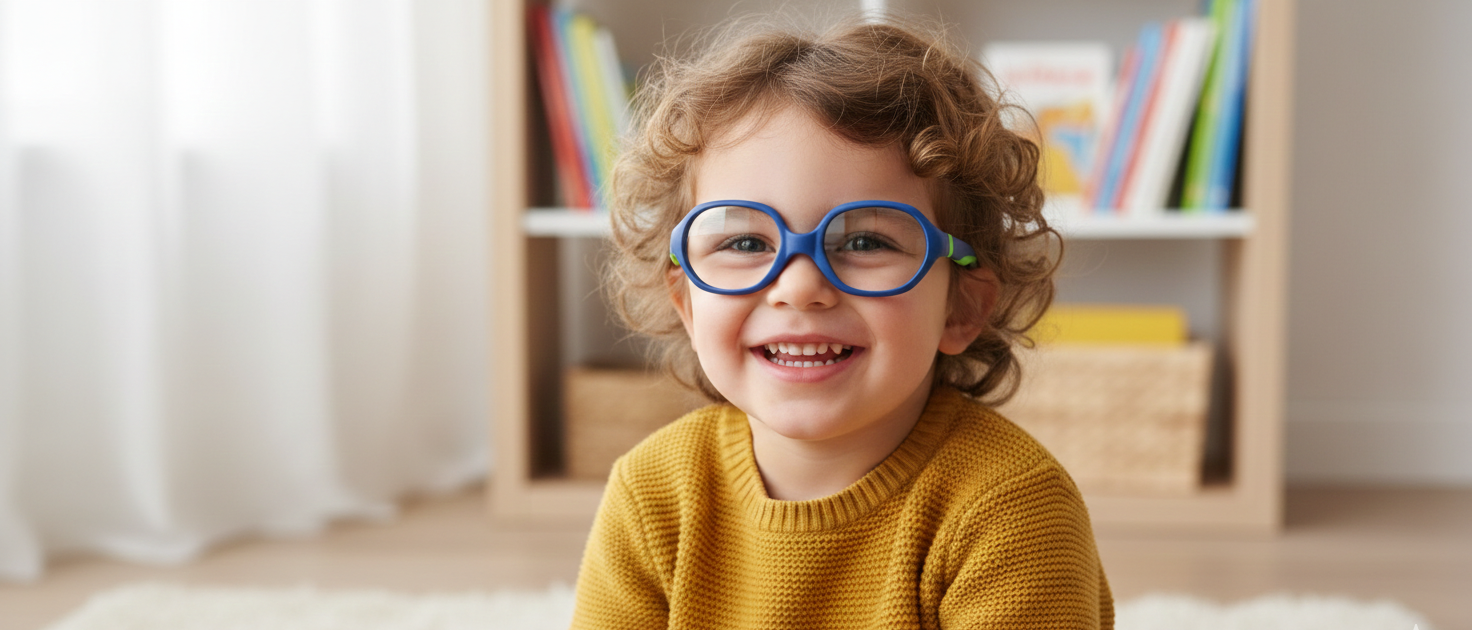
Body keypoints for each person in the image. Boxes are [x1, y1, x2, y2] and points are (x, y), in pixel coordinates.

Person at [572, 13, 1113, 630]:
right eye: (745, 243)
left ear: (961, 305)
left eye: (865, 242)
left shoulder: (1012, 509)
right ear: (688, 303)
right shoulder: (651, 494)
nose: (800, 288)